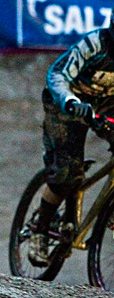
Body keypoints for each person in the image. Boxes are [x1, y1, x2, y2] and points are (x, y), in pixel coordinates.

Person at [28, 24, 114, 266]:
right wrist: (69, 101)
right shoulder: (94, 44)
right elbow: (57, 74)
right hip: (67, 104)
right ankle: (40, 231)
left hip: (105, 105)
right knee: (67, 171)